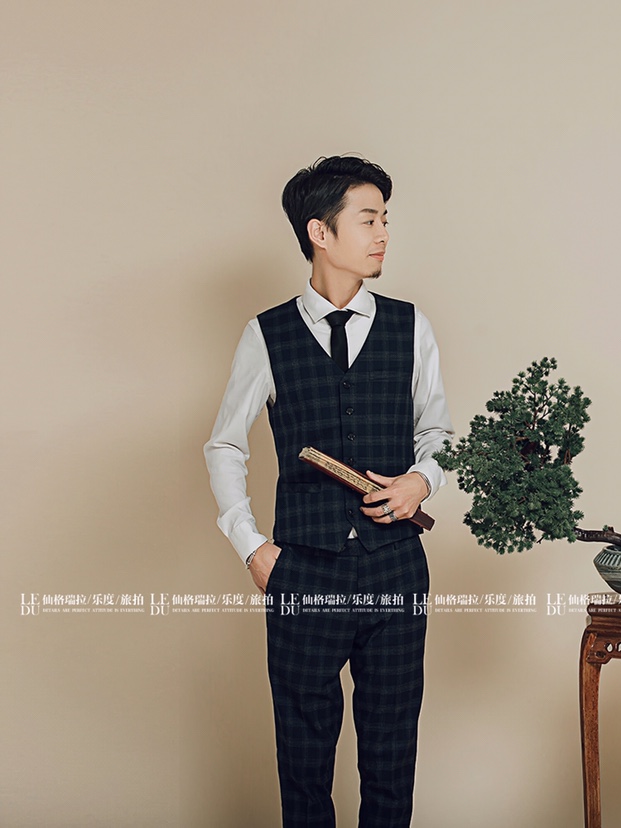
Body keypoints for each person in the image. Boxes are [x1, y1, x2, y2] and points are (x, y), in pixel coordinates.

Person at [204, 155, 453, 827]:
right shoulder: (267, 334)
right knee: (304, 760)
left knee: (392, 754)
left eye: (385, 220)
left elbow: (438, 432)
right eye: (368, 220)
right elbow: (224, 444)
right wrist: (251, 546)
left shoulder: (410, 326)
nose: (383, 234)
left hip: (396, 566)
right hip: (303, 570)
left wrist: (420, 480)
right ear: (320, 231)